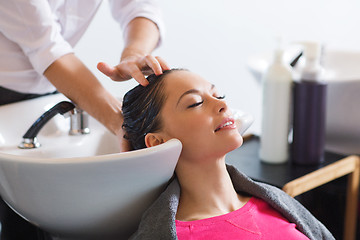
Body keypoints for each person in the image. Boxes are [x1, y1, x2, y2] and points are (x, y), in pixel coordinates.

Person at [0, 1, 168, 238]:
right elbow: (47, 48)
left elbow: (139, 6)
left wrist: (134, 54)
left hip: (51, 86)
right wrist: (120, 122)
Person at [121, 69, 335, 239]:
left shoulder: (276, 204)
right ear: (158, 142)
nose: (223, 104)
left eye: (218, 95)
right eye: (196, 103)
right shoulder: (173, 234)